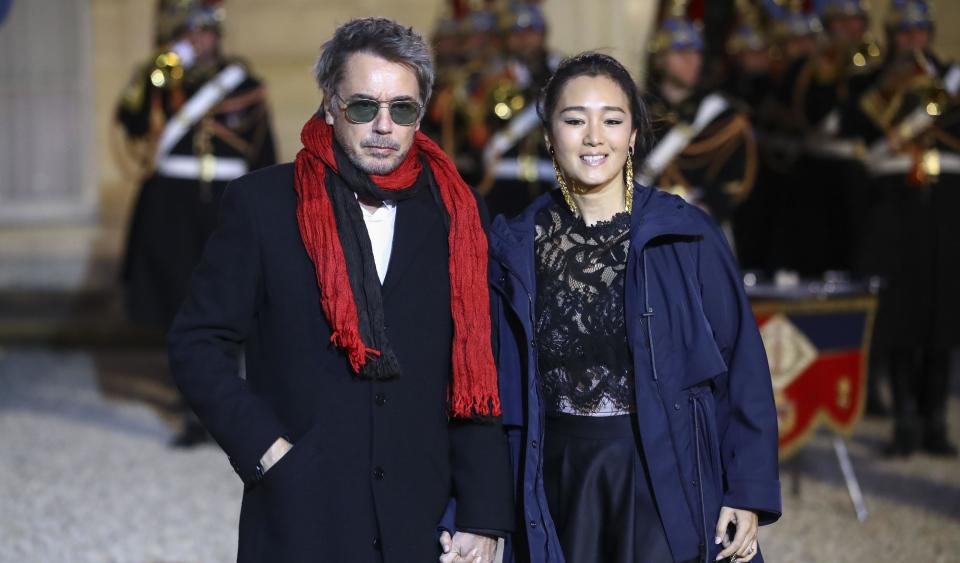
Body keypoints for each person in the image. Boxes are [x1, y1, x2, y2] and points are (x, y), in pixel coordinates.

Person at [168, 17, 514, 562]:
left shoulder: (460, 214)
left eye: (403, 109)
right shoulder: (263, 206)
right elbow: (196, 343)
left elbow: (478, 369)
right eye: (363, 107)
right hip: (302, 514)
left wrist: (483, 513)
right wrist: (267, 451)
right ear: (330, 104)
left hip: (423, 523)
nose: (384, 126)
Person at [489, 52, 781, 563]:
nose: (594, 137)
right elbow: (491, 389)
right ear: (549, 136)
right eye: (574, 120)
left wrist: (747, 491)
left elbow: (742, 367)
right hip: (558, 483)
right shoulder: (513, 248)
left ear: (633, 135)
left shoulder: (685, 235)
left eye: (612, 120)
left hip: (664, 476)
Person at [115, 0, 277, 447]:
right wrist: (157, 69)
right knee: (179, 303)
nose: (198, 41)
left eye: (204, 33)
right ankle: (192, 407)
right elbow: (129, 119)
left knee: (232, 300)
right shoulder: (163, 81)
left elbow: (263, 153)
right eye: (189, 33)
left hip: (226, 203)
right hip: (170, 206)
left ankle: (226, 396)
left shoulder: (243, 84)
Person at [850, 0, 959, 456]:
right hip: (895, 202)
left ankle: (936, 420)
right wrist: (892, 94)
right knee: (900, 314)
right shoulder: (875, 83)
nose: (914, 40)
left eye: (920, 31)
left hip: (947, 202)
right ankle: (904, 422)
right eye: (905, 33)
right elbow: (863, 139)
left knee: (943, 313)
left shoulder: (952, 78)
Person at [641, 4, 757, 247]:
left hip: (701, 230)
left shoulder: (724, 117)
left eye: (696, 53)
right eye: (681, 52)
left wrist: (709, 208)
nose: (691, 61)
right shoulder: (636, 113)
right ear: (660, 59)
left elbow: (736, 181)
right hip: (644, 228)